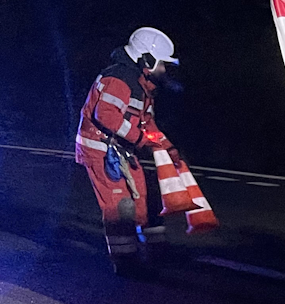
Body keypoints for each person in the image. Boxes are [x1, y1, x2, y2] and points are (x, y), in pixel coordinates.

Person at [75, 27, 218, 275]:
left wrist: (167, 148)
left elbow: (146, 123)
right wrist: (141, 140)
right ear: (147, 59)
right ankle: (126, 262)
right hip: (101, 150)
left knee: (145, 199)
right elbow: (106, 116)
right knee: (120, 207)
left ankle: (157, 250)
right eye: (161, 64)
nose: (163, 70)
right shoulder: (119, 79)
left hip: (121, 149)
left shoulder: (143, 85)